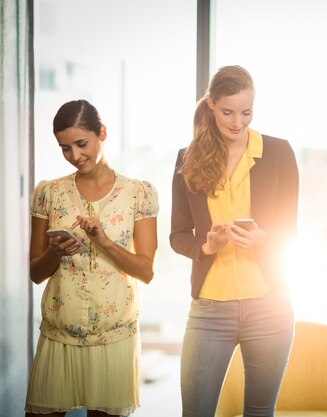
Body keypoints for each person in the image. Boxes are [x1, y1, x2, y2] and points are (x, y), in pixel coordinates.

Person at [170, 65, 299, 417]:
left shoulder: (278, 152)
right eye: (228, 112)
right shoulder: (187, 158)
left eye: (246, 112)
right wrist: (207, 247)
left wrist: (262, 238)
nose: (237, 122)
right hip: (211, 308)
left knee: (259, 413)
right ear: (211, 105)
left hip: (270, 306)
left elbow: (291, 230)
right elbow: (178, 235)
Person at [25, 100, 159, 417]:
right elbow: (34, 272)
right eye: (64, 148)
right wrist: (54, 252)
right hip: (59, 337)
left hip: (115, 339)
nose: (75, 156)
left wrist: (104, 242)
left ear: (102, 133)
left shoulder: (138, 194)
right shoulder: (49, 193)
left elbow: (146, 271)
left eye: (81, 144)